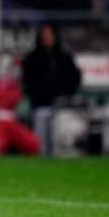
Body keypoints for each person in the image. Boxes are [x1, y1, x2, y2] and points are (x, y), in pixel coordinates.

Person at [21, 23, 82, 151]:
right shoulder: (32, 58)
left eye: (49, 34)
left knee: (62, 144)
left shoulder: (65, 57)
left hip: (63, 107)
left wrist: (64, 95)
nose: (47, 37)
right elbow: (28, 82)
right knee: (41, 144)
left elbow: (75, 78)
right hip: (41, 106)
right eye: (44, 35)